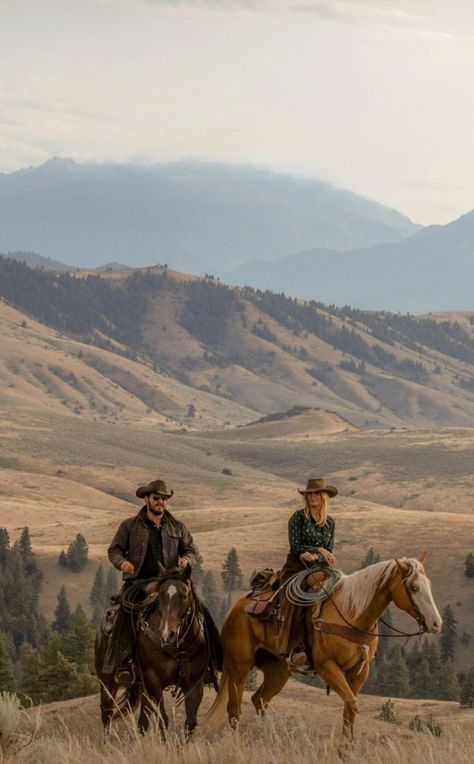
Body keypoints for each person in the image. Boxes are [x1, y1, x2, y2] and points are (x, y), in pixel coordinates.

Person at [105, 478, 220, 685]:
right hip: (139, 582)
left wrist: (186, 559)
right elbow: (115, 550)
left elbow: (191, 549)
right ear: (146, 499)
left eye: (164, 499)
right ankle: (124, 663)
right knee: (124, 611)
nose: (161, 502)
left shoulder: (178, 527)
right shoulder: (129, 526)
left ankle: (211, 664)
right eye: (157, 498)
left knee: (202, 610)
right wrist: (122, 563)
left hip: (171, 580)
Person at [275, 477, 338, 668]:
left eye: (316, 493)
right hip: (296, 568)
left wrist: (318, 555)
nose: (312, 497)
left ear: (324, 496)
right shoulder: (298, 517)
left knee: (338, 591)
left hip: (320, 567)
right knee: (300, 598)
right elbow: (295, 546)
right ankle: (297, 646)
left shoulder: (330, 523)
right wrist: (318, 550)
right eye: (309, 493)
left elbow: (329, 551)